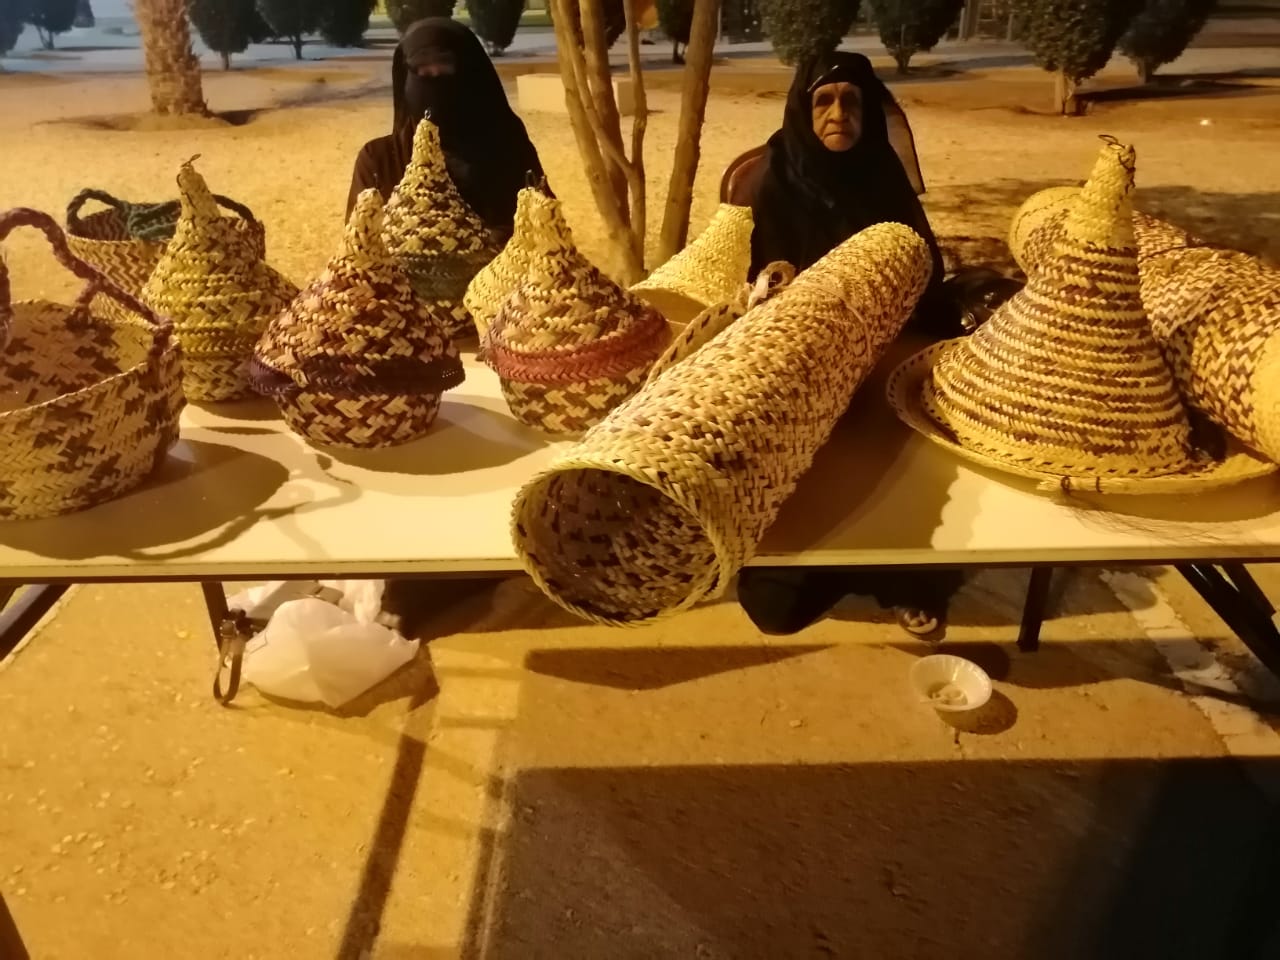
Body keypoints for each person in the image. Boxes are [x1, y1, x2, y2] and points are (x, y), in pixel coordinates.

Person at [738, 51, 966, 639]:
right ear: (802, 109)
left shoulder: (882, 175)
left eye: (851, 101)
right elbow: (759, 275)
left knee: (910, 467)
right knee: (775, 608)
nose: (838, 114)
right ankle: (832, 566)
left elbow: (921, 272)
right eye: (823, 101)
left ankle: (896, 576)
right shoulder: (776, 179)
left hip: (887, 351)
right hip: (803, 357)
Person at [345, 18, 545, 234]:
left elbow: (545, 231)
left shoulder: (509, 147)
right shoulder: (379, 161)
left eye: (445, 61)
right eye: (421, 66)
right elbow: (360, 243)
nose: (434, 72)